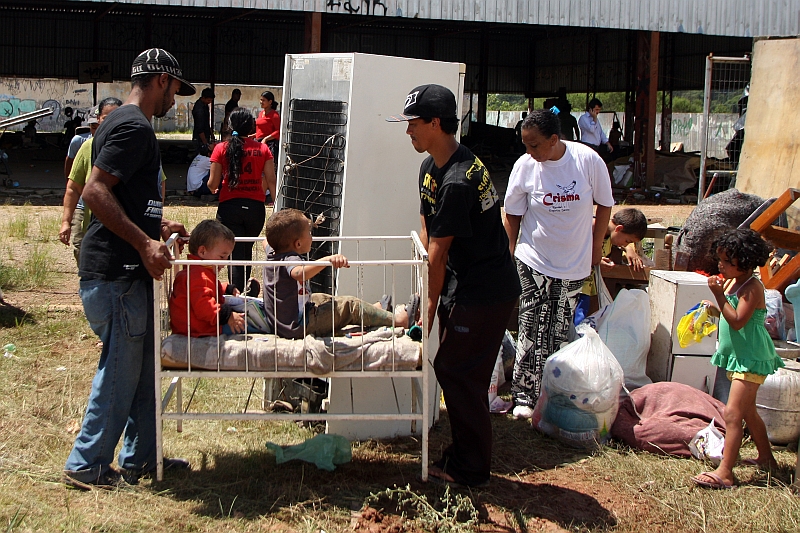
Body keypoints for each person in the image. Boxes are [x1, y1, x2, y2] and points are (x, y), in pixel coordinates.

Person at [63, 48, 193, 490]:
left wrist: (158, 226)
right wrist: (143, 243)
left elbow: (123, 197)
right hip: (115, 273)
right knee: (120, 370)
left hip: (122, 272)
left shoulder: (123, 122)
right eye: (175, 89)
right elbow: (95, 192)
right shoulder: (134, 126)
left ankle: (142, 458)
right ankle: (87, 463)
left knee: (140, 369)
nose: (175, 99)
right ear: (161, 80)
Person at [387, 84, 520, 487]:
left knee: (458, 372)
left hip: (484, 291)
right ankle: (463, 455)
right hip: (461, 284)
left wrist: (428, 305)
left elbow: (439, 254)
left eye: (413, 123)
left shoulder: (459, 180)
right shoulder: (432, 167)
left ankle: (471, 468)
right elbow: (428, 225)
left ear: (435, 123)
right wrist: (432, 291)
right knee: (456, 370)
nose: (408, 131)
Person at [503, 109, 614, 419]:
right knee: (530, 326)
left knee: (558, 329)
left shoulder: (587, 161)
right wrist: (508, 250)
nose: (529, 151)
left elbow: (605, 204)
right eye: (525, 145)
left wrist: (595, 246)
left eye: (534, 145)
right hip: (533, 258)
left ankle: (551, 393)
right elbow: (512, 212)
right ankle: (524, 394)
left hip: (574, 263)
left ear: (554, 139)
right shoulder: (525, 166)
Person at [692, 229, 784, 490]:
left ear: (744, 262)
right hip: (740, 356)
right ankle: (766, 458)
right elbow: (729, 313)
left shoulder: (752, 287)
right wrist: (713, 309)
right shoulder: (734, 282)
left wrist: (718, 296)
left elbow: (737, 320)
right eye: (720, 259)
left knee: (732, 413)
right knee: (748, 411)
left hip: (751, 358)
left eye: (726, 261)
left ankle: (725, 472)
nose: (720, 265)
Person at [262, 208, 417, 339]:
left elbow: (265, 242)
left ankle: (374, 310)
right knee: (349, 305)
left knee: (322, 298)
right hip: (299, 326)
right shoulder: (290, 259)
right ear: (298, 243)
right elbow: (299, 273)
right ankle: (399, 320)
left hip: (285, 321)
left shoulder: (273, 252)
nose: (312, 236)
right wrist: (327, 260)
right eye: (309, 232)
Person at [208, 108, 277, 292]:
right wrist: (276, 204)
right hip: (255, 209)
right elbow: (271, 179)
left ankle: (236, 293)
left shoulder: (221, 148)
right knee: (246, 249)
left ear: (230, 126)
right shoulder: (263, 149)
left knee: (235, 252)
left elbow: (212, 183)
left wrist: (212, 187)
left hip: (229, 207)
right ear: (251, 127)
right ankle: (244, 290)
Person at [58, 98, 123, 267]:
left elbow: (157, 183)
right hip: (90, 218)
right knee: (83, 252)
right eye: (103, 120)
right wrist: (66, 221)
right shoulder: (86, 147)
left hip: (124, 222)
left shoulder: (133, 147)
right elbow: (73, 187)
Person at [169, 219, 246, 337]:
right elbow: (203, 306)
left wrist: (226, 288)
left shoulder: (197, 271)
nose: (225, 262)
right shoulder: (198, 276)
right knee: (248, 323)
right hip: (200, 329)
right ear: (202, 251)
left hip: (201, 326)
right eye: (222, 257)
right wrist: (228, 316)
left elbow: (207, 290)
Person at [574, 208, 648, 325]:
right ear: (619, 228)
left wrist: (629, 249)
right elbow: (572, 249)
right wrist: (596, 261)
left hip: (587, 287)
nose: (625, 244)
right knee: (576, 320)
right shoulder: (590, 227)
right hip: (575, 286)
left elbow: (619, 238)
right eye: (627, 241)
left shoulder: (611, 235)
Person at [255, 90, 280, 205]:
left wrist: (266, 139)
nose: (261, 102)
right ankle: (262, 197)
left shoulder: (274, 115)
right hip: (259, 143)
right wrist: (252, 136)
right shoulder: (261, 113)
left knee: (268, 173)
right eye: (260, 100)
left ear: (270, 102)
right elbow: (260, 131)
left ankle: (267, 197)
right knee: (262, 173)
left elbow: (279, 131)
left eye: (263, 100)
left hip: (270, 145)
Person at [192, 87, 215, 156]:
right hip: (199, 138)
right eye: (208, 100)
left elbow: (207, 122)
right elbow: (200, 128)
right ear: (203, 98)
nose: (209, 102)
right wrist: (205, 143)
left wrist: (211, 134)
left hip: (205, 135)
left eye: (211, 100)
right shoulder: (199, 109)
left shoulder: (205, 106)